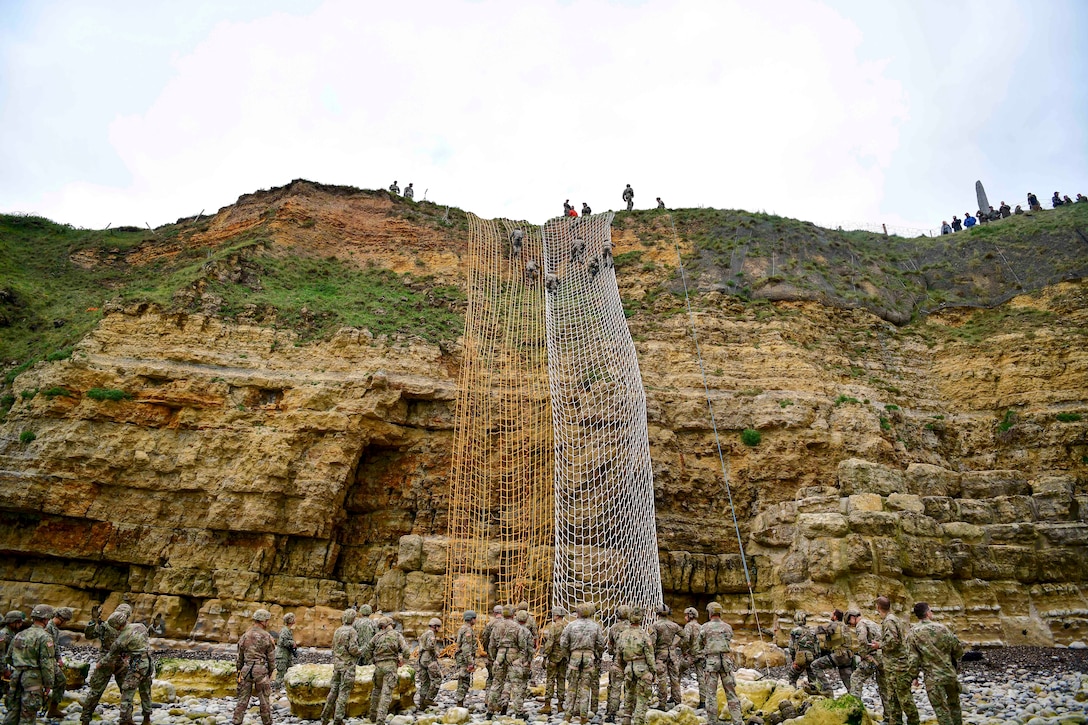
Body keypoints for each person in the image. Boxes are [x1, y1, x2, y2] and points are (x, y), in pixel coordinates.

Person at [910, 603, 963, 725]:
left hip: (932, 678)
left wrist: (914, 676)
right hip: (949, 674)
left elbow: (913, 659)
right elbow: (958, 649)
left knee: (941, 710)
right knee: (955, 705)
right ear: (928, 613)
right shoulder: (942, 628)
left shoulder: (914, 633)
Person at [80, 605, 133, 725]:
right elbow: (89, 635)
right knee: (126, 692)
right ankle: (127, 719)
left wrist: (93, 621)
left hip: (107, 660)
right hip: (115, 661)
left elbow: (89, 635)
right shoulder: (127, 628)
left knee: (96, 691)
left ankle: (85, 719)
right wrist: (93, 621)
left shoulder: (108, 626)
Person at [3, 604, 55, 725]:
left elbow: (8, 657)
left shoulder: (19, 634)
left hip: (16, 676)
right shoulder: (44, 637)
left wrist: (20, 666)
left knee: (12, 712)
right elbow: (46, 663)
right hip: (33, 679)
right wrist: (49, 684)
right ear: (46, 619)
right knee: (28, 715)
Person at [873, 596, 919, 725]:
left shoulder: (889, 621)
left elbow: (893, 642)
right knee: (893, 698)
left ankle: (914, 722)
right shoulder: (892, 619)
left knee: (904, 698)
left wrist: (879, 645)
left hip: (898, 666)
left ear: (878, 607)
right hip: (893, 666)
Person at [561, 603, 605, 723]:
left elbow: (563, 643)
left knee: (571, 687)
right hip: (588, 657)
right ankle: (583, 716)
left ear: (578, 612)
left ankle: (568, 715)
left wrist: (568, 655)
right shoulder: (595, 626)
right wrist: (596, 655)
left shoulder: (571, 625)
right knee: (585, 687)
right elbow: (601, 644)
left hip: (574, 657)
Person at [108, 613, 154, 725]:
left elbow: (111, 654)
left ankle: (125, 719)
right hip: (148, 663)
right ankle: (146, 719)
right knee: (145, 691)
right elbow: (147, 634)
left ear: (117, 625)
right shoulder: (140, 626)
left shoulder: (123, 636)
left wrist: (100, 663)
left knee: (127, 690)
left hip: (137, 665)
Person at [701, 602, 741, 725]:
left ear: (710, 613)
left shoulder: (705, 627)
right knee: (731, 693)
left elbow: (699, 643)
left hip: (712, 663)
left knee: (711, 694)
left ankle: (712, 722)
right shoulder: (727, 627)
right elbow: (729, 638)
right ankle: (738, 721)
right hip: (726, 662)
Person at [321, 609, 363, 725]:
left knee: (333, 690)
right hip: (347, 666)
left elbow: (333, 647)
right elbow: (352, 649)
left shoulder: (338, 630)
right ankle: (338, 719)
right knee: (343, 692)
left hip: (337, 665)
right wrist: (361, 652)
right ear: (353, 619)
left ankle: (324, 716)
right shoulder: (352, 631)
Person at [366, 617, 410, 725]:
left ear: (382, 626)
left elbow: (367, 650)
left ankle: (372, 716)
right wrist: (402, 661)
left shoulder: (377, 636)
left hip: (379, 667)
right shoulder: (397, 635)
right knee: (386, 694)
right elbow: (406, 651)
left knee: (376, 691)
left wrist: (373, 661)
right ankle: (380, 720)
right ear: (390, 624)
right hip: (391, 667)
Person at [615, 608, 655, 725]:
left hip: (628, 667)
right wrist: (653, 672)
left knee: (629, 694)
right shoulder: (644, 635)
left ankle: (626, 718)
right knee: (642, 697)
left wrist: (623, 667)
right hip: (642, 667)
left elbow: (619, 654)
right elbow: (649, 655)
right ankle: (638, 721)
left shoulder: (623, 635)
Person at [811, 609, 856, 694]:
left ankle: (827, 689)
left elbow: (820, 630)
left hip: (838, 655)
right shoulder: (845, 627)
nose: (831, 616)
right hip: (848, 656)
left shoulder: (834, 625)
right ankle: (854, 696)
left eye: (832, 614)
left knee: (814, 665)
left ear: (835, 616)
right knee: (847, 679)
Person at [539, 607, 568, 715]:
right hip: (564, 657)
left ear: (556, 616)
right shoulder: (567, 626)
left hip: (554, 657)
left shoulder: (553, 627)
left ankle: (547, 705)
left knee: (550, 680)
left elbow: (549, 643)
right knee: (561, 680)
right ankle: (560, 705)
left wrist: (545, 656)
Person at [505, 610, 534, 718]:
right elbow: (530, 648)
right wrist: (529, 661)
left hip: (509, 658)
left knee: (507, 681)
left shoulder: (511, 629)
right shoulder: (526, 632)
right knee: (520, 685)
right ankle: (519, 709)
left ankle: (504, 702)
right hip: (522, 661)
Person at [43, 606, 71, 718]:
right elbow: (46, 646)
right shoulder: (48, 627)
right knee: (59, 681)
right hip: (46, 660)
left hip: (51, 659)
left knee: (60, 681)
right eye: (65, 621)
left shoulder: (54, 628)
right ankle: (49, 708)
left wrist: (59, 659)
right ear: (61, 618)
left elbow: (55, 645)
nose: (65, 623)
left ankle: (52, 709)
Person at [604, 606, 630, 722]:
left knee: (615, 687)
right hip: (631, 661)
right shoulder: (633, 627)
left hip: (618, 660)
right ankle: (629, 712)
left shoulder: (614, 628)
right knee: (630, 688)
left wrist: (613, 652)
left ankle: (611, 712)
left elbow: (610, 646)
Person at [651, 605, 681, 707]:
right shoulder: (674, 625)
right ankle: (678, 702)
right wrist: (674, 644)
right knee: (674, 679)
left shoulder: (655, 625)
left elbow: (652, 642)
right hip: (672, 655)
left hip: (660, 655)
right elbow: (684, 636)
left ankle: (662, 704)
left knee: (662, 679)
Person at [786, 610, 820, 692]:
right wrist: (816, 658)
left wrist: (794, 659)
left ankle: (793, 693)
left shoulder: (794, 631)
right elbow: (817, 646)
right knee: (813, 679)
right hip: (811, 658)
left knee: (792, 676)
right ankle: (814, 696)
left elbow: (791, 647)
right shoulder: (812, 631)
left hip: (800, 658)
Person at [680, 607, 704, 708]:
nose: (685, 617)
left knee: (677, 672)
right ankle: (703, 701)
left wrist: (684, 652)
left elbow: (685, 640)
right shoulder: (701, 626)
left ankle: (675, 697)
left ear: (690, 616)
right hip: (701, 654)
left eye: (686, 615)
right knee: (701, 677)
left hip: (691, 655)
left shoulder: (688, 626)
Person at [416, 618, 442, 710]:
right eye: (438, 627)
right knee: (438, 678)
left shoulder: (424, 634)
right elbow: (430, 646)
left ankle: (422, 704)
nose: (439, 629)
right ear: (435, 626)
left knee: (425, 682)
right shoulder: (431, 634)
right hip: (429, 659)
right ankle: (429, 699)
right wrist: (436, 652)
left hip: (422, 659)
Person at [453, 611, 477, 708]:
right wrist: (470, 662)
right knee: (464, 681)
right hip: (464, 660)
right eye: (475, 618)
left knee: (463, 680)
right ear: (471, 619)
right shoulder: (468, 631)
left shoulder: (462, 628)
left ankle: (460, 702)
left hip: (462, 658)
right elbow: (466, 649)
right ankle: (460, 702)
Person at [1, 611, 27, 700]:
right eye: (19, 622)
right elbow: (1, 654)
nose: (20, 625)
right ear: (12, 622)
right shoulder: (4, 635)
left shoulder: (12, 634)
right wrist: (4, 670)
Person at [481, 605, 503, 690]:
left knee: (490, 677)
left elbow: (485, 638)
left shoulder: (490, 624)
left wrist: (486, 650)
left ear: (494, 613)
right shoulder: (508, 624)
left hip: (492, 654)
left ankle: (488, 698)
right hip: (504, 654)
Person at [273, 613, 296, 691]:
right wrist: (292, 643)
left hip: (287, 655)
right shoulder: (285, 630)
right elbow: (283, 642)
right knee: (281, 674)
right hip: (282, 655)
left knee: (291, 671)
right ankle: (276, 690)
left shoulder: (288, 630)